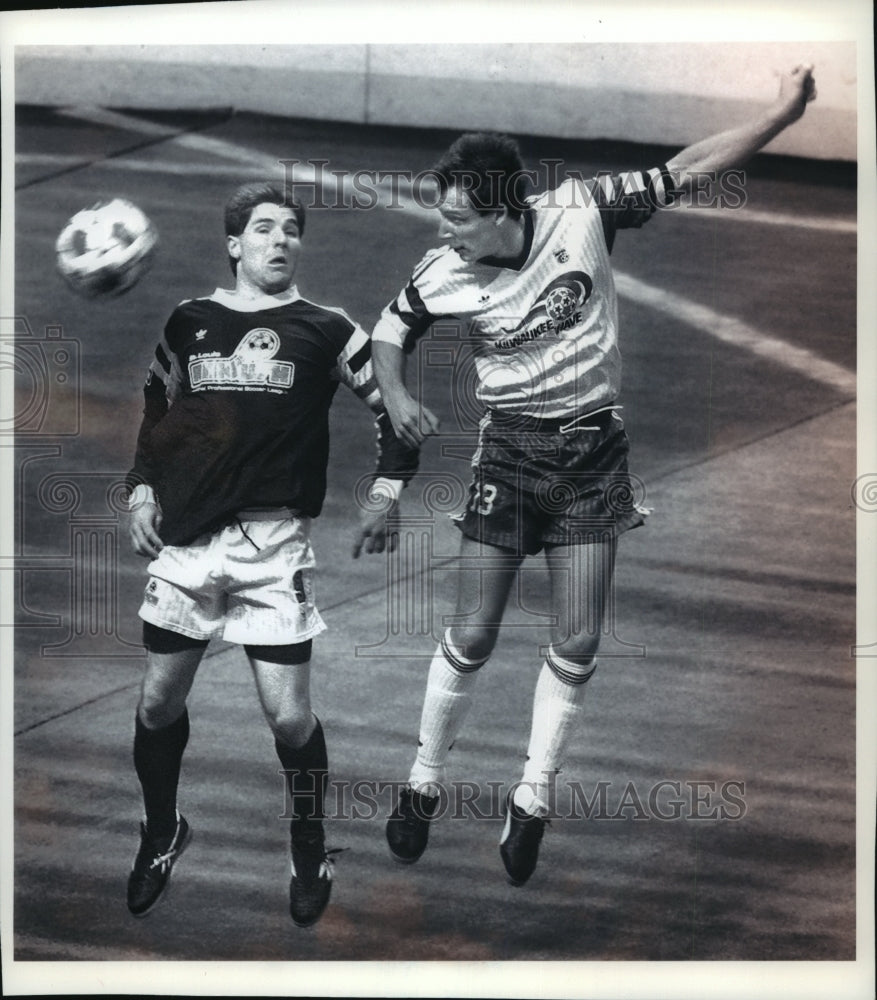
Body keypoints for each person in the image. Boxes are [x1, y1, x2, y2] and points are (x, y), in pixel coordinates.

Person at [371, 65, 817, 885]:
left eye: (460, 217)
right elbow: (388, 332)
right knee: (472, 633)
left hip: (590, 456)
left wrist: (780, 116)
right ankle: (422, 784)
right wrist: (395, 393)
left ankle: (531, 798)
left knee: (575, 639)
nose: (446, 229)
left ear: (506, 211)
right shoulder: (443, 272)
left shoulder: (581, 210)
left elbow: (686, 169)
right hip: (505, 453)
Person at [125, 181, 417, 926]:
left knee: (289, 720)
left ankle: (309, 846)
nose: (280, 240)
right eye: (263, 228)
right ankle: (162, 833)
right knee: (157, 704)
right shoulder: (189, 320)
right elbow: (158, 411)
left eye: (291, 229)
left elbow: (392, 407)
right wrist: (139, 490)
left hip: (272, 546)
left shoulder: (326, 329)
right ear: (235, 244)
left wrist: (387, 489)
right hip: (187, 545)